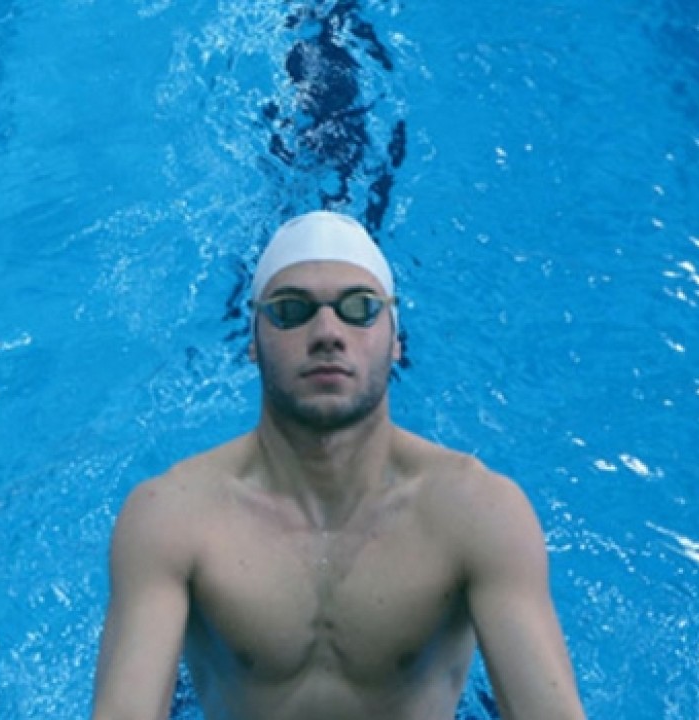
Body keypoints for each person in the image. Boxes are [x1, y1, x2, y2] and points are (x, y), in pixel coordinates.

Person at [91, 211, 587, 720]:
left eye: (360, 308)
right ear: (253, 341)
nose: (327, 332)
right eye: (290, 310)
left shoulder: (477, 511)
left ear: (396, 340)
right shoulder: (173, 516)